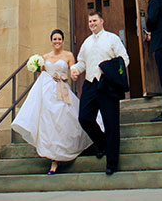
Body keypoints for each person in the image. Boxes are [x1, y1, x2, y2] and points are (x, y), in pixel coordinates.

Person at [11, 29, 104, 175]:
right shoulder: (45, 57)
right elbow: (42, 73)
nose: (57, 42)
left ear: (63, 40)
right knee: (50, 124)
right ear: (51, 41)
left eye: (59, 39)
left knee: (65, 120)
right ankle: (54, 160)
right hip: (48, 93)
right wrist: (36, 67)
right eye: (54, 39)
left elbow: (74, 71)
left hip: (62, 91)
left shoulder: (68, 55)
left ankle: (70, 148)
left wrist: (71, 76)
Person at [71, 12, 129, 175]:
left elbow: (124, 59)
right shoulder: (86, 43)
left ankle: (112, 163)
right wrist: (75, 70)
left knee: (111, 123)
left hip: (107, 84)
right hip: (90, 83)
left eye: (95, 20)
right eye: (90, 21)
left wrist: (111, 71)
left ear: (102, 21)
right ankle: (102, 144)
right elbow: (82, 62)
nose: (92, 23)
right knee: (84, 117)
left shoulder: (112, 39)